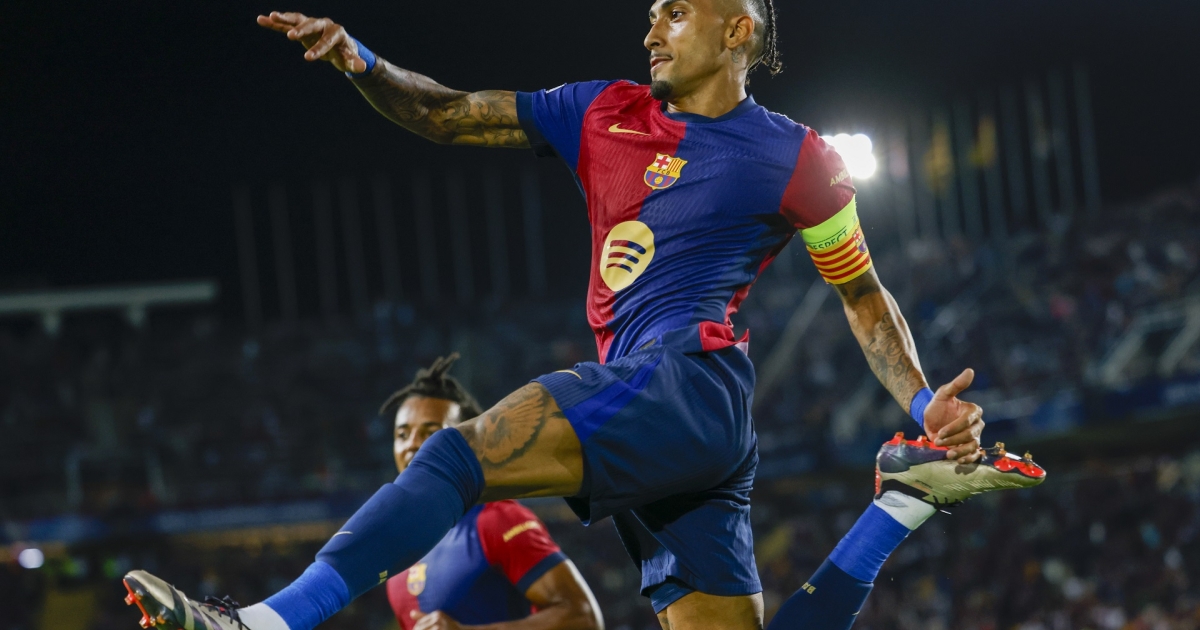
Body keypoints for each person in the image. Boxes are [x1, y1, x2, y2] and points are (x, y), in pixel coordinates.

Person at [120, 1, 1046, 629]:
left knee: (458, 456)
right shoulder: (601, 111)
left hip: (686, 383)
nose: (650, 30)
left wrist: (922, 399)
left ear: (737, 28)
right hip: (675, 419)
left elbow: (861, 292)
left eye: (673, 11)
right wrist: (362, 62)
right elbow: (450, 113)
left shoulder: (799, 158)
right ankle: (901, 504)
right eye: (650, 14)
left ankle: (264, 621)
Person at [380, 355, 602, 630]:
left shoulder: (497, 520)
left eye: (430, 433)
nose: (412, 445)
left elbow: (584, 618)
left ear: (465, 444)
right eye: (402, 435)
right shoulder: (396, 547)